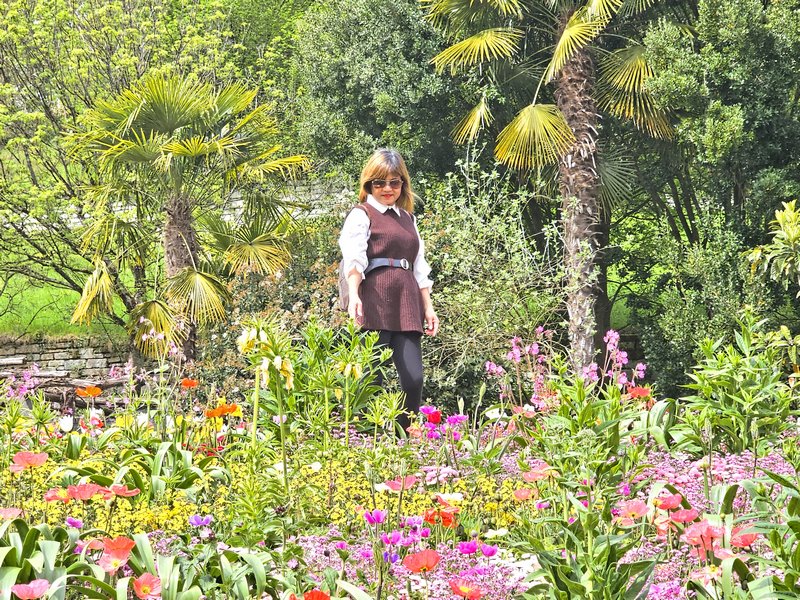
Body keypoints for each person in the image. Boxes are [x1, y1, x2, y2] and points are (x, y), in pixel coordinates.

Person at [338, 148, 439, 430]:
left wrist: (429, 307)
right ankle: (365, 438)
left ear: (403, 184)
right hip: (374, 300)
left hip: (406, 301)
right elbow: (354, 260)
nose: (387, 188)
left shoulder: (408, 219)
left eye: (394, 182)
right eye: (379, 182)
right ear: (368, 184)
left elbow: (419, 266)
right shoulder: (362, 214)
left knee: (414, 379)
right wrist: (354, 296)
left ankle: (402, 436)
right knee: (371, 378)